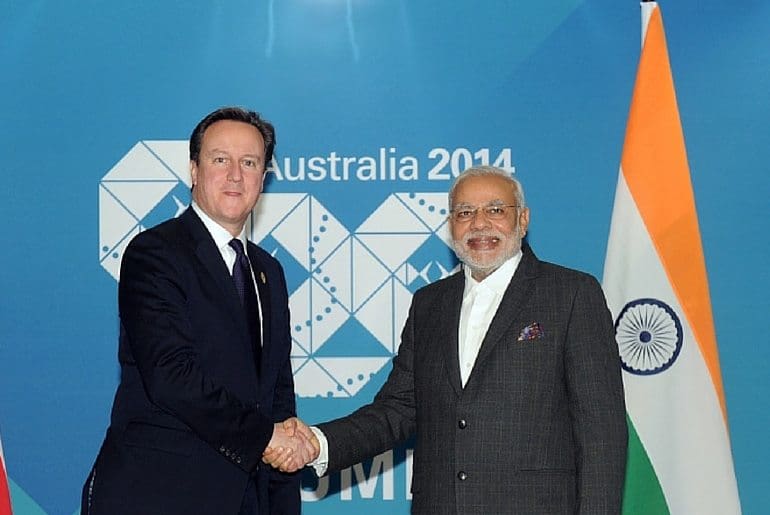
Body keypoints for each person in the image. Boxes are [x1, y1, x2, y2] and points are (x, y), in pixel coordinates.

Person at [266, 165, 628, 514]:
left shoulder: (571, 294)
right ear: (451, 226)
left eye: (496, 210)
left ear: (523, 219)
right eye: (464, 212)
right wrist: (317, 443)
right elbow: (398, 410)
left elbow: (602, 435)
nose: (480, 223)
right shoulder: (429, 304)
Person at [82, 107, 313, 515]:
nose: (235, 175)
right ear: (193, 169)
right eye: (220, 159)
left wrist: (283, 466)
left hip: (249, 498)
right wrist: (266, 438)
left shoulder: (268, 272)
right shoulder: (155, 254)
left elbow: (276, 392)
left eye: (250, 163)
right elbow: (172, 377)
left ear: (263, 178)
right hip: (161, 494)